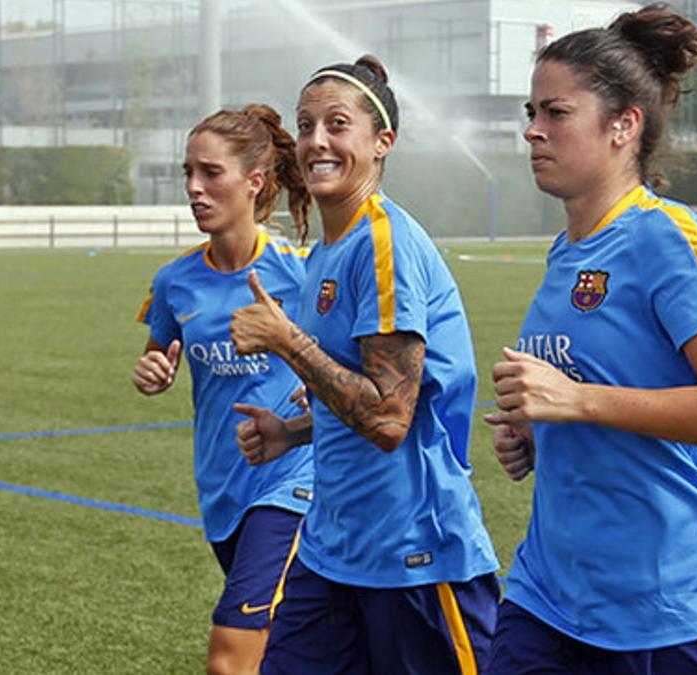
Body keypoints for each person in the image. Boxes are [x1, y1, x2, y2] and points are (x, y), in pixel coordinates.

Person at [484, 5, 697, 673]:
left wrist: (577, 401)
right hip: (550, 594)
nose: (532, 130)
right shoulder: (566, 252)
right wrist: (537, 436)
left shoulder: (668, 240)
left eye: (555, 113)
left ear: (624, 125)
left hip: (668, 600)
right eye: (530, 112)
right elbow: (596, 398)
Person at [225, 55, 500, 675]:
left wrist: (288, 342)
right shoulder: (328, 248)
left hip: (413, 555)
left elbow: (389, 418)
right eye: (306, 124)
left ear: (382, 144)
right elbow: (357, 395)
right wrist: (290, 432)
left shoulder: (384, 242)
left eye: (337, 124)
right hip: (332, 549)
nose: (317, 140)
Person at [132, 105, 315, 675]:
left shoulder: (301, 272)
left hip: (293, 484)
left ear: (254, 182)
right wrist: (153, 375)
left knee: (229, 656)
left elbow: (344, 360)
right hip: (221, 489)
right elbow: (156, 357)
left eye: (211, 172)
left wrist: (317, 376)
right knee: (285, 649)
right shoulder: (174, 280)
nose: (193, 187)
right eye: (188, 172)